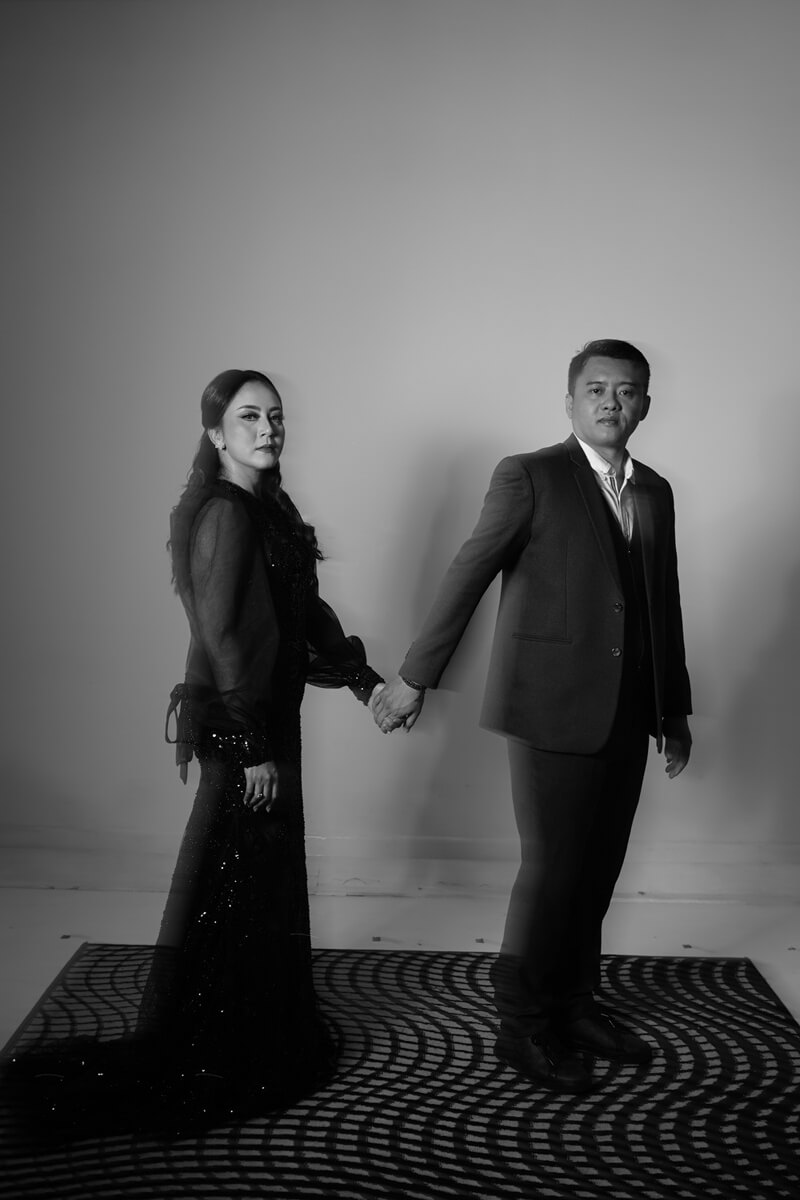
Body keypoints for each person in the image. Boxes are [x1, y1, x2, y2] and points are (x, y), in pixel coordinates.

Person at [7, 370, 384, 1134]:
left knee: (258, 881)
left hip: (271, 722)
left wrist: (363, 680)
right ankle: (220, 1041)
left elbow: (302, 609)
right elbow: (222, 635)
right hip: (246, 730)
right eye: (249, 417)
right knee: (235, 878)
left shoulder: (270, 505)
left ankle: (253, 1025)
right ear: (215, 433)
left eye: (276, 416)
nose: (268, 428)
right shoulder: (222, 514)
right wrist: (250, 747)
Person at [373, 340, 692, 1094]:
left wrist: (672, 710)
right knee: (553, 872)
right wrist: (416, 676)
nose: (611, 402)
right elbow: (470, 570)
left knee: (598, 869)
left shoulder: (655, 491)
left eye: (627, 391)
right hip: (550, 706)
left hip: (628, 710)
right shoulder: (531, 475)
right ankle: (521, 1023)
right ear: (570, 401)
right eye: (597, 389)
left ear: (645, 405)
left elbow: (663, 602)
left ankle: (573, 1004)